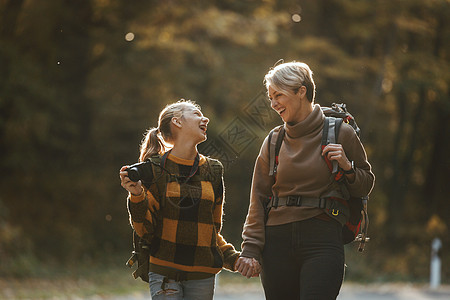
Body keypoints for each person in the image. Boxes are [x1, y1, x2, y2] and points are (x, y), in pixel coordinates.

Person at [235, 61, 375, 299]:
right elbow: (258, 197)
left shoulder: (341, 132)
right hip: (276, 243)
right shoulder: (273, 140)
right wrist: (250, 248)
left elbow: (365, 184)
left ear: (302, 91)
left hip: (322, 240)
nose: (273, 104)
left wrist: (346, 167)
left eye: (278, 95)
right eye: (270, 97)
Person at [119, 100, 242, 300]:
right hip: (164, 274)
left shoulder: (213, 170)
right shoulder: (155, 169)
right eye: (196, 113)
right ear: (177, 122)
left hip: (203, 276)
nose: (205, 118)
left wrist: (233, 259)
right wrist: (136, 195)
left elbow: (211, 230)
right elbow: (145, 230)